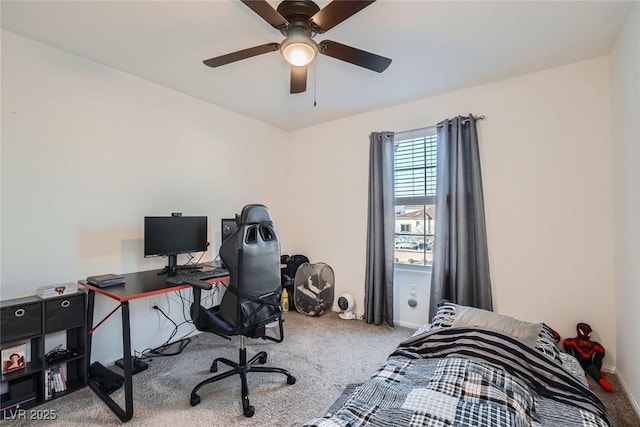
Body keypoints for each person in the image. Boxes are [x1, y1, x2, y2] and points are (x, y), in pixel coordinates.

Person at [563, 323, 613, 392]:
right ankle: (585, 378)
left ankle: (593, 377)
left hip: (584, 363)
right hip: (580, 363)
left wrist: (597, 368)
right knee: (580, 373)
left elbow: (566, 342)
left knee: (593, 373)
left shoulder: (574, 341)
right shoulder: (592, 344)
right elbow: (601, 350)